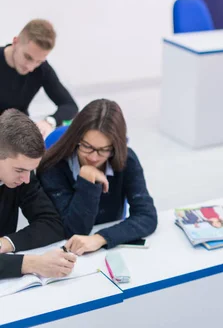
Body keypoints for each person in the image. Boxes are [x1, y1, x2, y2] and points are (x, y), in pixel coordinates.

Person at [38, 99, 158, 256]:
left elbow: (147, 216)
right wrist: (87, 182)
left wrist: (100, 238)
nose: (94, 157)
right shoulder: (53, 167)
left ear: (115, 146)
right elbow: (74, 229)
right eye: (87, 146)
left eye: (104, 149)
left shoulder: (126, 159)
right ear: (76, 139)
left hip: (106, 247)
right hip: (67, 252)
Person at [0, 109, 75, 279]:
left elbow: (51, 223)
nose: (26, 179)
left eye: (31, 170)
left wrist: (7, 243)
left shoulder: (23, 175)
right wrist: (29, 263)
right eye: (19, 170)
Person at [0, 19, 78, 137]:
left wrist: (49, 122)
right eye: (28, 57)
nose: (30, 67)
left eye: (39, 61)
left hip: (16, 135)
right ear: (15, 42)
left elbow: (69, 105)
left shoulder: (41, 70)